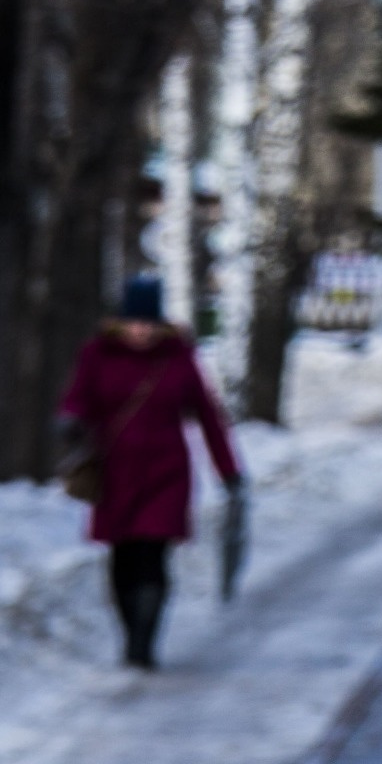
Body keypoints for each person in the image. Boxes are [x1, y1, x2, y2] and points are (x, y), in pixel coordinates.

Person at [59, 274, 243, 671]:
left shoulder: (177, 356)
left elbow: (209, 416)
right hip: (114, 473)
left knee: (153, 553)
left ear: (159, 322)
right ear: (120, 321)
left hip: (166, 473)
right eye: (133, 322)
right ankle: (130, 634)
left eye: (148, 322)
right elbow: (78, 398)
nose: (140, 330)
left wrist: (228, 470)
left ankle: (143, 642)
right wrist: (70, 421)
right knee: (122, 557)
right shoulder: (97, 354)